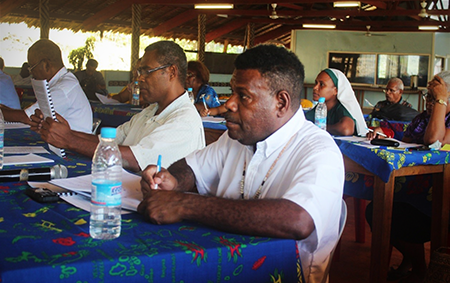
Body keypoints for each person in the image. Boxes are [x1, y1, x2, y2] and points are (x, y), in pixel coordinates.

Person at [137, 44, 345, 283]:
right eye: (232, 92)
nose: (230, 104)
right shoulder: (237, 137)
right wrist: (170, 181)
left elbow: (298, 220)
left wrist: (185, 204)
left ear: (281, 103)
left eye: (243, 96)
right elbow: (191, 168)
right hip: (225, 266)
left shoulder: (319, 150)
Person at [36, 41, 205, 172]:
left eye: (146, 71)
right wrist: (66, 133)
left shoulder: (184, 120)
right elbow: (106, 142)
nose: (139, 79)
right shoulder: (151, 111)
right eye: (139, 73)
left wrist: (69, 140)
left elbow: (134, 160)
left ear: (172, 72)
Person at [366, 70, 450, 283]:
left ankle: (418, 268)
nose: (429, 103)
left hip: (438, 201)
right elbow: (406, 140)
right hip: (413, 191)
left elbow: (433, 141)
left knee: (398, 216)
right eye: (428, 97)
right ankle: (415, 264)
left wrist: (442, 99)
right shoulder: (422, 119)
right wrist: (384, 134)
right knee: (377, 209)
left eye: (434, 98)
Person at [0, 39, 92, 134]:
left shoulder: (62, 89)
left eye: (31, 67)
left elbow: (27, 117)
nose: (31, 73)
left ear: (46, 65)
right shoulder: (63, 81)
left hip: (70, 147)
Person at [305, 68, 367, 136]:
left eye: (322, 84)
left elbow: (346, 129)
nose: (315, 87)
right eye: (316, 83)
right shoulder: (319, 108)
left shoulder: (341, 108)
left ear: (335, 91)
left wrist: (319, 128)